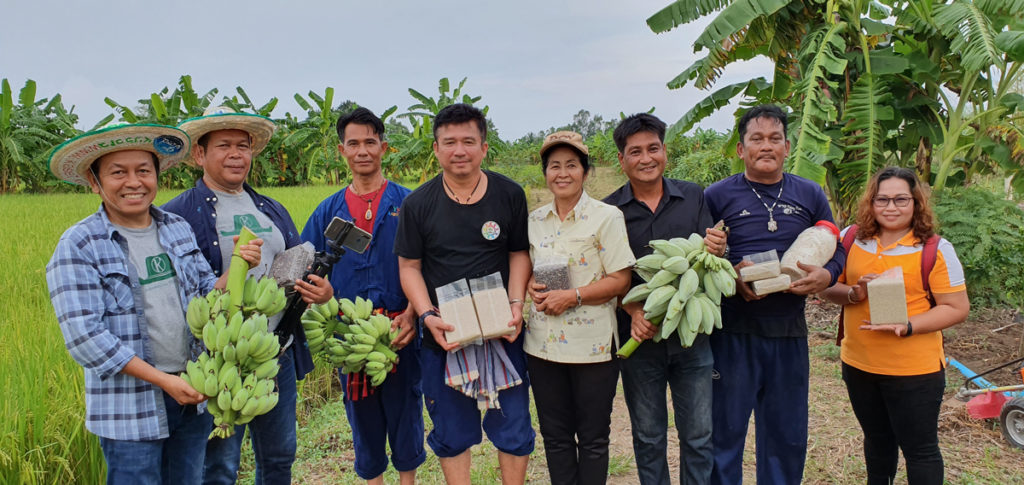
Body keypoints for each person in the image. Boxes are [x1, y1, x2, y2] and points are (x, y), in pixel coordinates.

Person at [45, 123, 263, 484]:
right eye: (118, 172)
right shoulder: (80, 245)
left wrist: (240, 263)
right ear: (94, 181)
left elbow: (207, 296)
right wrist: (164, 381)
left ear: (156, 175)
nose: (134, 182)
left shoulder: (175, 227)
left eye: (143, 171)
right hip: (131, 410)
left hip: (193, 393)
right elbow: (85, 337)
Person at [162, 106, 333, 485]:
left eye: (243, 145)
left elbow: (294, 263)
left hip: (275, 351)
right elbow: (172, 293)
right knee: (219, 465)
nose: (237, 154)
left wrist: (319, 290)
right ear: (199, 155)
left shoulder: (270, 208)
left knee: (278, 456)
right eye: (224, 145)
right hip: (217, 358)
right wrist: (226, 279)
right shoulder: (177, 216)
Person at [703, 104, 846, 485]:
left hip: (789, 333)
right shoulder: (716, 195)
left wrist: (827, 275)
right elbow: (700, 255)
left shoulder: (810, 193)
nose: (766, 146)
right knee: (724, 435)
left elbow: (837, 244)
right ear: (740, 148)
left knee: (786, 435)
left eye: (775, 139)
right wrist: (732, 277)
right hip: (732, 332)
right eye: (756, 139)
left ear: (787, 145)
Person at [395, 103, 534, 485]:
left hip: (503, 330)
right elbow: (409, 267)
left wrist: (516, 304)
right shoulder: (417, 204)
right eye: (450, 142)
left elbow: (518, 253)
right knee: (452, 433)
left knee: (515, 427)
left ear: (484, 148)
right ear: (436, 149)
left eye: (469, 141)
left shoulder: (508, 194)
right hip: (445, 335)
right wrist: (426, 316)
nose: (460, 150)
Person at [821, 167, 969, 484]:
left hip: (915, 371)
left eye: (901, 199)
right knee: (876, 442)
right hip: (859, 364)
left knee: (920, 450)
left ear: (916, 203)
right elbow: (827, 288)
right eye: (882, 199)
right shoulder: (851, 238)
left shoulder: (935, 249)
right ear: (871, 203)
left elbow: (956, 308)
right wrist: (853, 292)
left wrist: (908, 325)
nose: (891, 207)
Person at [301, 107, 425, 485]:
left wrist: (412, 313)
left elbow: (428, 267)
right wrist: (320, 293)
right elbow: (308, 264)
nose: (362, 151)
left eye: (370, 142)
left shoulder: (410, 204)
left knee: (406, 413)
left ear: (384, 148)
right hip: (350, 335)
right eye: (353, 143)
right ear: (342, 151)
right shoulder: (328, 211)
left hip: (402, 328)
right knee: (362, 418)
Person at [602, 113, 726, 485]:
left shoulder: (693, 196)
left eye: (653, 148)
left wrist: (719, 247)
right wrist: (633, 307)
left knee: (699, 437)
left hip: (693, 336)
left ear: (665, 152)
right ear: (622, 160)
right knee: (649, 437)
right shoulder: (610, 211)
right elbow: (608, 272)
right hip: (639, 338)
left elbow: (710, 256)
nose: (646, 158)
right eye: (635, 151)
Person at [524, 131, 636, 485]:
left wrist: (572, 296)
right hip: (541, 346)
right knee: (555, 439)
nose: (562, 173)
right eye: (554, 165)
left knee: (592, 439)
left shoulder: (607, 217)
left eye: (571, 165)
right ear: (545, 172)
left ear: (586, 172)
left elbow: (620, 281)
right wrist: (528, 284)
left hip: (593, 348)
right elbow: (526, 269)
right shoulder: (535, 220)